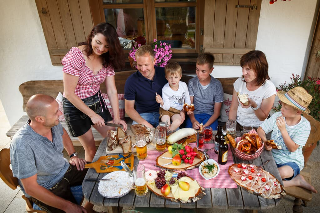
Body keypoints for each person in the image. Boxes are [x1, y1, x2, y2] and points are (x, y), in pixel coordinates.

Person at [10, 94, 95, 213]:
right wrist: (67, 206)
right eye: (56, 112)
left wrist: (73, 155)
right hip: (47, 186)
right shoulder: (22, 144)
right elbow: (31, 188)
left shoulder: (52, 123)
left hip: (64, 169)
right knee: (74, 210)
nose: (60, 114)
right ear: (40, 119)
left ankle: (88, 209)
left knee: (102, 173)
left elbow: (63, 132)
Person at [62, 22, 127, 162]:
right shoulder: (76, 56)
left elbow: (111, 90)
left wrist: (116, 118)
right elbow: (69, 93)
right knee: (91, 149)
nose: (101, 48)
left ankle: (114, 171)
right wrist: (92, 115)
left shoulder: (107, 58)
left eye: (107, 46)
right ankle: (90, 181)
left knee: (113, 138)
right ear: (91, 36)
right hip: (75, 107)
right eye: (98, 42)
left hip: (97, 102)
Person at [257, 87, 317, 193]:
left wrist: (283, 130)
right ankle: (290, 181)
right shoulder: (278, 116)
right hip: (272, 157)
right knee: (260, 175)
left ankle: (296, 181)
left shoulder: (304, 126)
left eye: (285, 107)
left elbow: (293, 148)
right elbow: (260, 129)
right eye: (282, 105)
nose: (281, 109)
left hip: (291, 161)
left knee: (279, 173)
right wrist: (265, 140)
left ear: (298, 111)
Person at [229, 50, 276, 129]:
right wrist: (231, 127)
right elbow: (233, 108)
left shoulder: (269, 88)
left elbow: (263, 117)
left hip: (258, 128)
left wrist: (254, 105)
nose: (244, 73)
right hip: (239, 124)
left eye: (248, 69)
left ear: (259, 69)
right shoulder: (239, 82)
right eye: (243, 68)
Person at [124, 45, 167, 128]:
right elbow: (129, 109)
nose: (143, 69)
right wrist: (148, 126)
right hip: (143, 117)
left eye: (146, 65)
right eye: (139, 65)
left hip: (165, 114)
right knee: (139, 137)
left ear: (154, 61)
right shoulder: (131, 81)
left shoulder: (165, 74)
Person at [185, 53, 224, 130]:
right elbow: (189, 105)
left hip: (210, 117)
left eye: (203, 71)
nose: (199, 74)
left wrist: (205, 126)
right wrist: (193, 121)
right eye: (197, 69)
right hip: (194, 115)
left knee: (209, 135)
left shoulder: (217, 85)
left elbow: (216, 113)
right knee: (189, 135)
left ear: (211, 70)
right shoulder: (192, 83)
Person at [155, 62, 191, 132]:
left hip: (177, 111)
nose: (173, 80)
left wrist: (188, 108)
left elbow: (187, 98)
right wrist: (162, 102)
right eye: (170, 78)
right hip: (166, 110)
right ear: (166, 77)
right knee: (166, 123)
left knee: (178, 121)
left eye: (176, 77)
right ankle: (164, 128)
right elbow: (167, 107)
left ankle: (168, 132)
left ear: (180, 76)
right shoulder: (165, 89)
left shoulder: (183, 86)